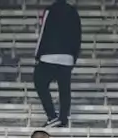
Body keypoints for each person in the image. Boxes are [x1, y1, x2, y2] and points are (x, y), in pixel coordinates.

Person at [34, 0, 81, 128]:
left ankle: (52, 116)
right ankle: (63, 118)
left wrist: (37, 54)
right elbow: (78, 37)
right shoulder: (74, 12)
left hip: (49, 54)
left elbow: (42, 32)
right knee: (64, 88)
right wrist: (73, 58)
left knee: (40, 82)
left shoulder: (50, 10)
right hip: (67, 57)